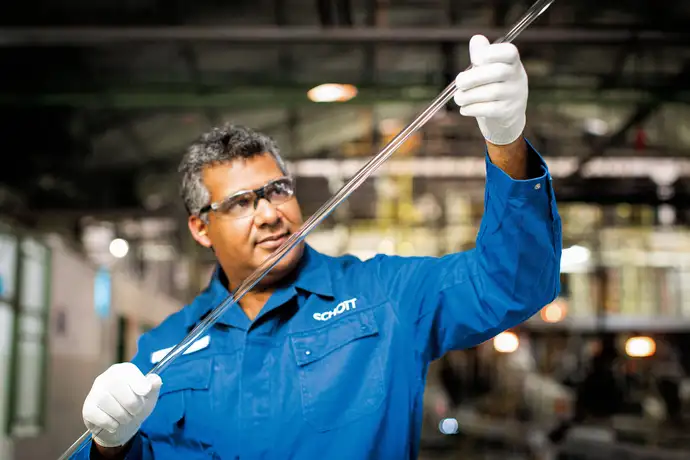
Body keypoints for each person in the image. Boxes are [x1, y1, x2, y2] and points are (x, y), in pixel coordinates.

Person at [78, 34, 562, 460]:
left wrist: (507, 141)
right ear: (201, 229)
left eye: (278, 190)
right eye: (242, 203)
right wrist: (108, 447)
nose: (270, 213)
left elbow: (511, 284)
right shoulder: (163, 350)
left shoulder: (386, 298)